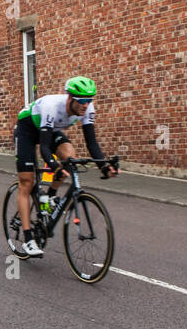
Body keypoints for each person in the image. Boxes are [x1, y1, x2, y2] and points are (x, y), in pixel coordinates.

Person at [13, 76, 118, 258]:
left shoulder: (87, 109)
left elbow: (91, 143)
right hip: (27, 130)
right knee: (27, 182)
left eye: (89, 100)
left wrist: (104, 167)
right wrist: (54, 166)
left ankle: (49, 198)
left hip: (50, 131)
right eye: (82, 101)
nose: (86, 105)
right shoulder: (51, 106)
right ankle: (28, 238)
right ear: (70, 98)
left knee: (71, 159)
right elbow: (44, 148)